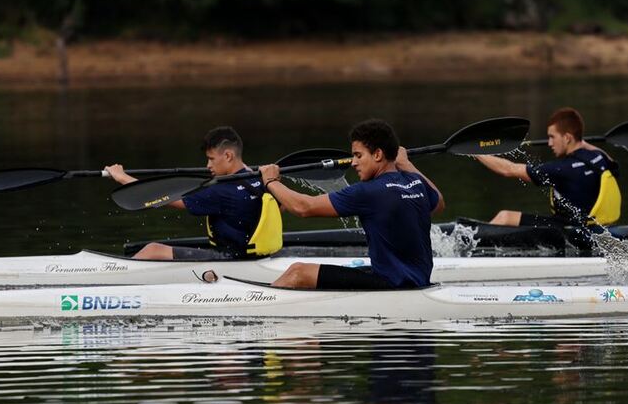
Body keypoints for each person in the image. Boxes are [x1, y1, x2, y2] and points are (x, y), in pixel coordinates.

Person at [258, 119, 444, 289]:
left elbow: (303, 207)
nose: (353, 163)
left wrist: (271, 181)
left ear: (378, 154)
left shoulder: (368, 191)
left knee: (298, 272)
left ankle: (256, 306)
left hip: (389, 284)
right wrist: (405, 164)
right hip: (418, 280)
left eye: (358, 155)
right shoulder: (416, 182)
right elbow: (438, 203)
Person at [105, 126, 281, 260]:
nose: (208, 166)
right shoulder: (263, 179)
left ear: (228, 156)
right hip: (255, 253)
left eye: (211, 159)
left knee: (153, 250)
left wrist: (122, 178)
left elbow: (162, 198)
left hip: (230, 260)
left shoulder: (220, 192)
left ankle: (109, 288)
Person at [474, 107, 621, 227]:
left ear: (567, 137)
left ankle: (472, 255)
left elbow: (508, 169)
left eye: (552, 137)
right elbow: (611, 162)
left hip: (566, 232)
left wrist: (476, 151)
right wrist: (579, 142)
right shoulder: (599, 157)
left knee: (504, 217)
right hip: (592, 227)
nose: (550, 143)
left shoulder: (560, 169)